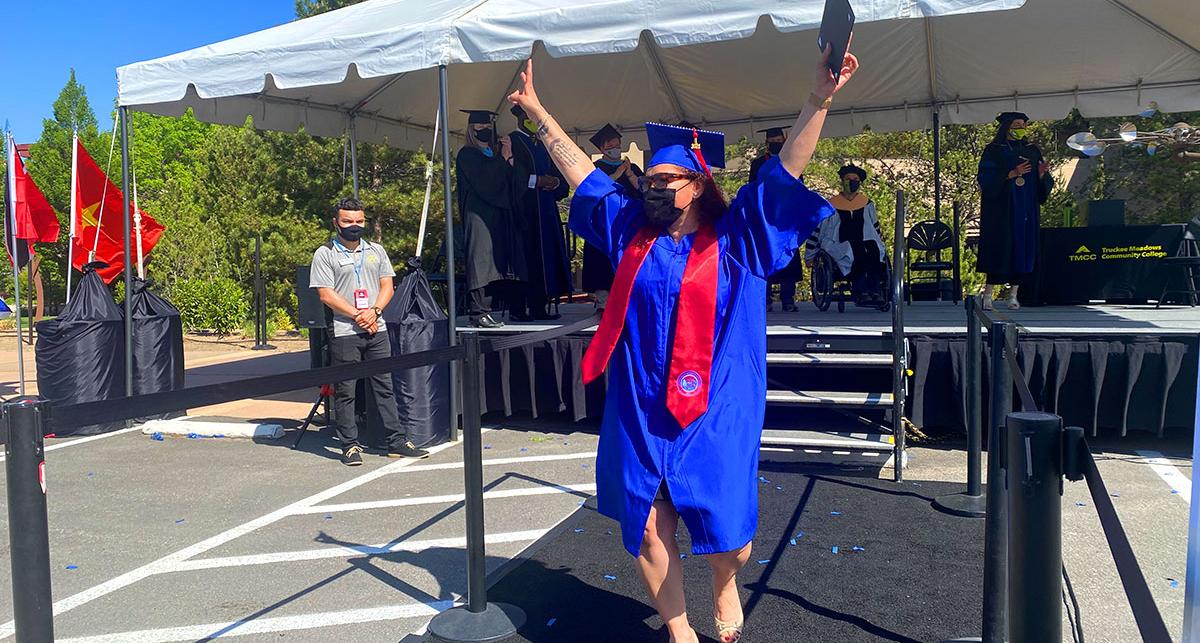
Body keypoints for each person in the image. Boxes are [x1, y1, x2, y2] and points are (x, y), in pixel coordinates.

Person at [507, 40, 858, 643]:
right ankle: (679, 628)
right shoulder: (628, 232)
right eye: (651, 180)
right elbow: (582, 174)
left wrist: (817, 102)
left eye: (669, 181)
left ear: (696, 185)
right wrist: (538, 113)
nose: (655, 189)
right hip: (641, 404)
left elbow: (786, 176)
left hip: (716, 403)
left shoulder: (740, 238)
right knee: (646, 523)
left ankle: (725, 583)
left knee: (731, 535)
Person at [309, 197, 430, 466]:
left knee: (384, 386)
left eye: (359, 221)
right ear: (336, 223)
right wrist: (357, 315)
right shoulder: (325, 254)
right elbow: (325, 294)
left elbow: (387, 285)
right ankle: (349, 445)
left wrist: (374, 312)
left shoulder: (376, 250)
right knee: (346, 390)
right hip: (344, 331)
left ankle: (396, 441)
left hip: (377, 327)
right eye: (348, 221)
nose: (354, 226)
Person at [456, 109, 526, 328]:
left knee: (504, 260)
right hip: (478, 215)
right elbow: (487, 180)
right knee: (481, 262)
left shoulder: (494, 155)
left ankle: (515, 308)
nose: (485, 131)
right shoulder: (467, 154)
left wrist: (509, 157)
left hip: (500, 215)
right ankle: (479, 312)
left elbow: (515, 182)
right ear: (471, 130)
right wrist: (503, 161)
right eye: (480, 128)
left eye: (488, 128)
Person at [976, 112, 1053, 310]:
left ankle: (1014, 295)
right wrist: (1011, 174)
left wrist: (1042, 175)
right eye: (1017, 124)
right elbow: (985, 178)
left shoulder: (1032, 150)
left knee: (1023, 250)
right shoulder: (994, 150)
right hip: (1002, 209)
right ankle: (988, 294)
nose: (1021, 128)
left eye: (1023, 125)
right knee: (1000, 250)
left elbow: (1042, 184)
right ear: (1007, 127)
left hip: (1026, 208)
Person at [508, 105, 572, 320]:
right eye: (528, 117)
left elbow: (559, 175)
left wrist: (554, 182)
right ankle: (518, 309)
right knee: (526, 260)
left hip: (546, 213)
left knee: (545, 260)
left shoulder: (543, 143)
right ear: (519, 119)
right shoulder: (512, 142)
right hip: (524, 213)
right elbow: (510, 176)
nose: (531, 121)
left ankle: (539, 306)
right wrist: (536, 181)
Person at [805, 163, 887, 304]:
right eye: (848, 178)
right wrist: (810, 254)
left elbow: (875, 226)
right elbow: (818, 230)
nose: (851, 182)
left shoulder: (867, 204)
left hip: (865, 239)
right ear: (842, 181)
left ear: (859, 182)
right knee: (855, 250)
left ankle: (875, 290)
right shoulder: (831, 205)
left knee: (873, 248)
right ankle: (860, 290)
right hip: (839, 242)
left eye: (855, 179)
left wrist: (880, 241)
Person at [584, 123, 644, 308]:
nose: (615, 149)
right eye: (610, 146)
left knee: (626, 261)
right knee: (602, 262)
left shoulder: (631, 166)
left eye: (617, 145)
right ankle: (604, 301)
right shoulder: (595, 168)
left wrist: (631, 175)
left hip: (628, 222)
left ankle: (627, 302)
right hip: (604, 224)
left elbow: (644, 191)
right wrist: (617, 175)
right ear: (602, 148)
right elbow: (593, 191)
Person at [752, 127, 804, 312]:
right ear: (766, 143)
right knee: (764, 256)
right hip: (765, 216)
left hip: (786, 218)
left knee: (788, 255)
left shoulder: (792, 162)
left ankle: (788, 298)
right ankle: (765, 299)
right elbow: (752, 188)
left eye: (778, 140)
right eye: (772, 140)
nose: (775, 143)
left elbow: (799, 188)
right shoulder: (757, 164)